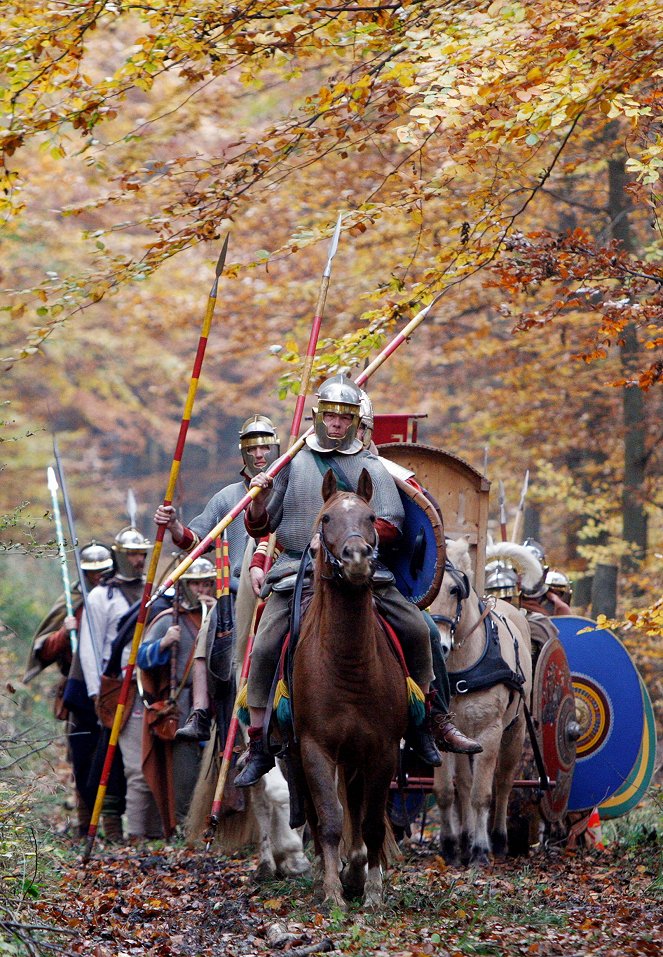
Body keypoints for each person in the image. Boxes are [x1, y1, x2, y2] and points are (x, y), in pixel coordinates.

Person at [235, 374, 481, 788]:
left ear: (355, 422)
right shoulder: (293, 462)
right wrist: (259, 498)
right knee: (263, 647)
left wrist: (347, 538)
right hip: (297, 570)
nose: (335, 424)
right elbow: (264, 524)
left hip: (363, 568)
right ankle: (259, 743)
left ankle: (431, 721)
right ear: (318, 417)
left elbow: (392, 523)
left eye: (343, 417)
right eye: (329, 415)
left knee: (419, 630)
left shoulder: (372, 466)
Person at [154, 415, 281, 741]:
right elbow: (196, 541)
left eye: (265, 446)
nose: (259, 455)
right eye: (252, 448)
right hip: (237, 595)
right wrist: (174, 527)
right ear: (243, 454)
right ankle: (200, 711)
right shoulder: (229, 497)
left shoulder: (291, 489)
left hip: (282, 587)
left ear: (277, 447)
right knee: (206, 630)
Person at [24, 541, 114, 836]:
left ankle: (115, 826)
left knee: (115, 758)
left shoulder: (118, 596)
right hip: (78, 692)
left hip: (114, 688)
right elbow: (44, 650)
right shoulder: (71, 600)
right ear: (84, 573)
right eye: (93, 573)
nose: (99, 577)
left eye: (104, 571)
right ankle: (85, 824)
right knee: (82, 756)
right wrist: (65, 631)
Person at [79, 524, 160, 841]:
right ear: (121, 556)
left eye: (142, 554)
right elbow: (90, 648)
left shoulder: (155, 591)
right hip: (121, 689)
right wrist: (99, 695)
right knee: (128, 764)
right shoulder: (101, 596)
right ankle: (133, 833)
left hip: (154, 685)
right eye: (134, 555)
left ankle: (158, 829)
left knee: (157, 758)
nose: (139, 561)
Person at [137, 557, 217, 833]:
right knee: (185, 773)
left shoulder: (222, 615)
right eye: (195, 583)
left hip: (215, 705)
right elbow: (141, 659)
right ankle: (184, 829)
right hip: (182, 706)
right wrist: (164, 642)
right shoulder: (167, 620)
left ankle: (213, 829)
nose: (202, 589)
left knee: (215, 771)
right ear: (184, 585)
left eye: (207, 583)